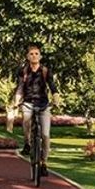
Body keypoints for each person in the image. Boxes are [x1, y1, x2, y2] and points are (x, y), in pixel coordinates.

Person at [13, 43, 60, 176]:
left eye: (36, 54)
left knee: (45, 135)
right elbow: (20, 87)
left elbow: (52, 86)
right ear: (27, 57)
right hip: (28, 103)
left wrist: (56, 99)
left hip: (43, 104)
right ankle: (27, 143)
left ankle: (44, 162)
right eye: (31, 54)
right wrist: (16, 102)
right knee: (26, 121)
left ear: (40, 56)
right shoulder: (23, 71)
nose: (34, 56)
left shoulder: (45, 71)